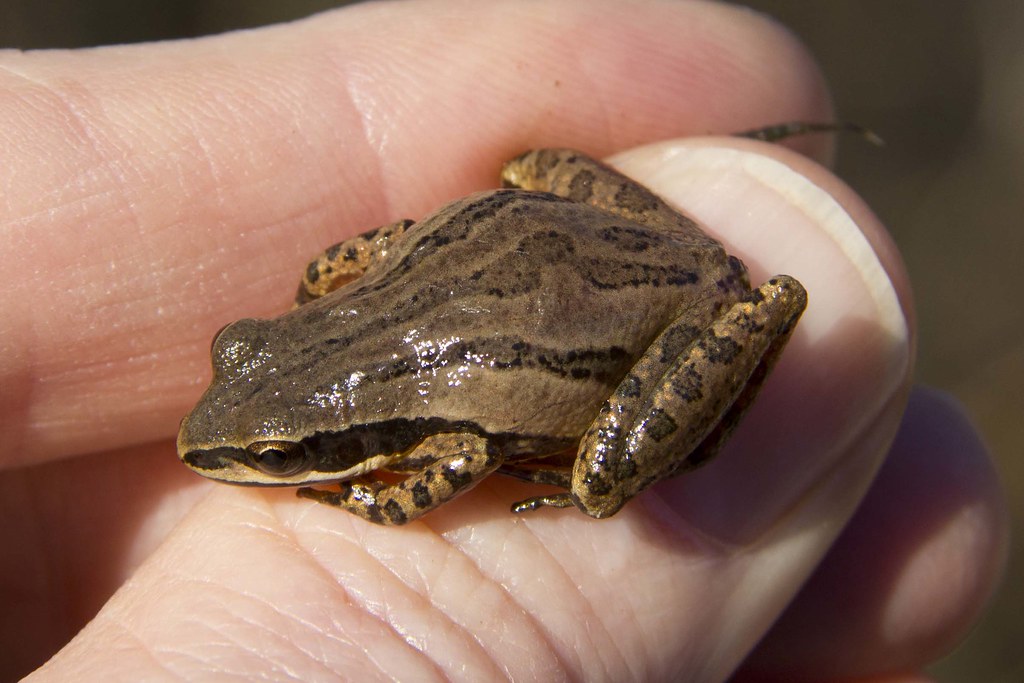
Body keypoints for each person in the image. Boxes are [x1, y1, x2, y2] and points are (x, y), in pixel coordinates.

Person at [1, 1, 1006, 680]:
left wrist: (378, 500)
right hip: (558, 237)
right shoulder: (346, 291)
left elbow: (460, 454)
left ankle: (690, 381)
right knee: (530, 164)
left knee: (601, 480)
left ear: (333, 437)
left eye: (274, 452)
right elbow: (370, 265)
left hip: (627, 333)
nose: (240, 450)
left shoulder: (400, 433)